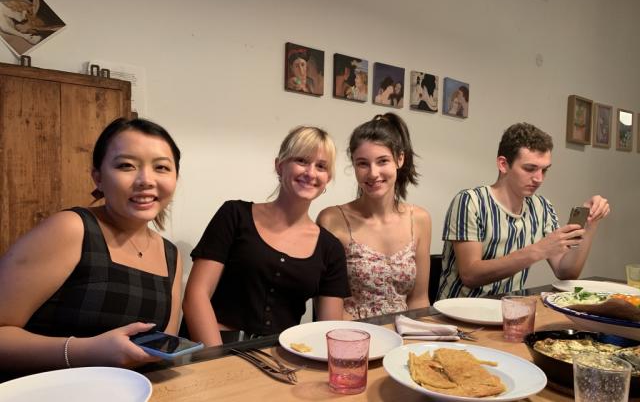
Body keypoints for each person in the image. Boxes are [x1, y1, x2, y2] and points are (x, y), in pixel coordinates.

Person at [0, 117, 183, 375]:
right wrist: (89, 351)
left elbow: (162, 347)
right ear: (98, 177)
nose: (146, 180)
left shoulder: (171, 254)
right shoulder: (71, 229)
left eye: (161, 168)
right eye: (126, 165)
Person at [182, 126, 350, 346]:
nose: (310, 173)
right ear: (279, 166)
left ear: (327, 178)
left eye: (321, 166)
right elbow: (196, 296)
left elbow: (328, 331)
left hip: (278, 359)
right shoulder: (234, 215)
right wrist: (217, 361)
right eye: (301, 160)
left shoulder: (330, 248)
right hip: (211, 350)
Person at [437, 122, 610, 299]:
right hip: (457, 314)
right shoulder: (470, 201)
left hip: (507, 311)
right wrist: (537, 250)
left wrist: (590, 224)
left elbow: (565, 272)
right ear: (503, 164)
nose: (539, 179)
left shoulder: (542, 206)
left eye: (544, 170)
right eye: (530, 169)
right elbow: (470, 275)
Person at [317, 113, 431, 319]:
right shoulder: (332, 220)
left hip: (405, 335)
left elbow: (419, 300)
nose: (373, 173)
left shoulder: (420, 219)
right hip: (352, 337)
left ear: (400, 159)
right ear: (353, 165)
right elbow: (328, 308)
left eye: (382, 161)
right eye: (363, 164)